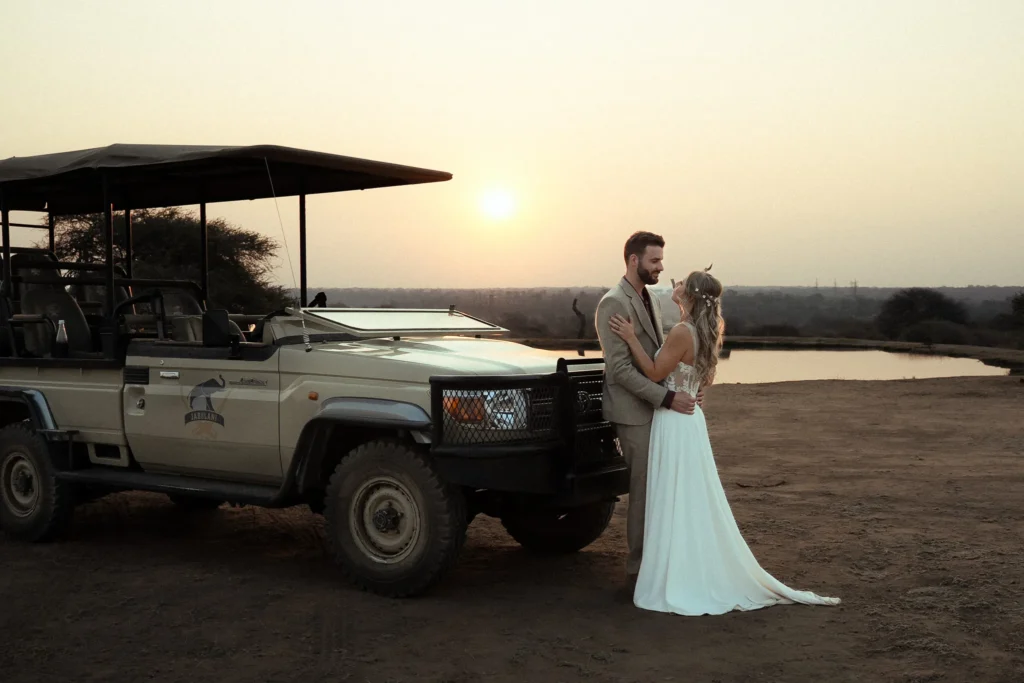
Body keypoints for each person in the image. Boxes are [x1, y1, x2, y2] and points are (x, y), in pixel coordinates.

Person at [608, 268, 841, 616]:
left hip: (674, 420)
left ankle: (676, 570)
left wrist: (629, 338)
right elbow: (706, 378)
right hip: (691, 420)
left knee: (673, 494)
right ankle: (687, 561)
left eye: (683, 282)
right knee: (689, 494)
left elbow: (655, 374)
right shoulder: (706, 330)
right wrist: (692, 390)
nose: (677, 284)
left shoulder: (683, 332)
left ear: (691, 295)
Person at [594, 231, 703, 596]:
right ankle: (639, 573)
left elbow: (660, 354)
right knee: (643, 489)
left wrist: (686, 387)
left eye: (661, 261)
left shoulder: (652, 299)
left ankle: (661, 562)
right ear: (633, 260)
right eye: (654, 261)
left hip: (655, 406)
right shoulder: (613, 303)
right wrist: (668, 398)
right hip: (632, 411)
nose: (660, 267)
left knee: (659, 486)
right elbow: (621, 371)